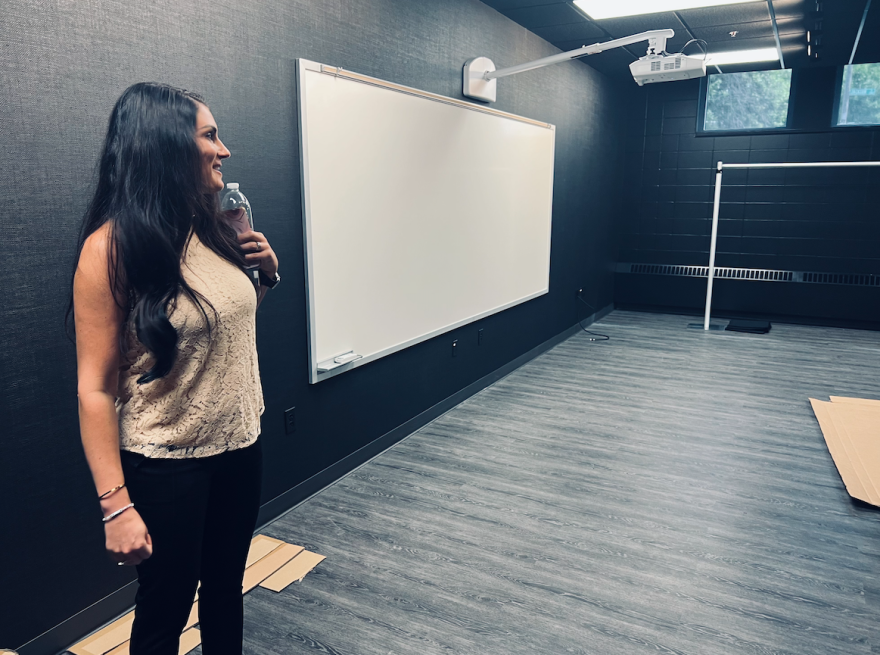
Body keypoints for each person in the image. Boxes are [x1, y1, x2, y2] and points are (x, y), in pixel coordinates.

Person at [71, 82, 279, 655]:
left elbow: (217, 328)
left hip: (240, 446)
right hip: (167, 464)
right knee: (165, 607)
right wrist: (116, 505)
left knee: (224, 591)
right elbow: (93, 389)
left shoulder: (211, 226)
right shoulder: (109, 250)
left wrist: (266, 276)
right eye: (210, 136)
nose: (224, 149)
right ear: (166, 147)